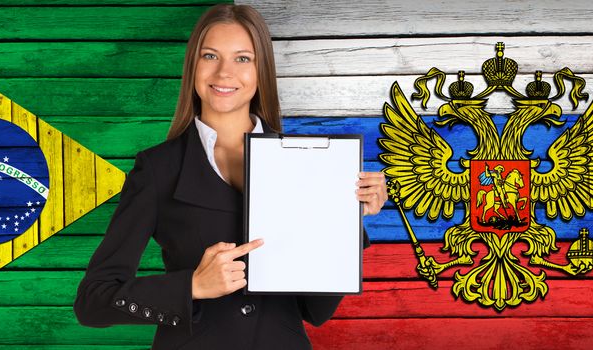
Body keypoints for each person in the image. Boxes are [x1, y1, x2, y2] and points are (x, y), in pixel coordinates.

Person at [73, 4, 389, 349]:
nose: (225, 72)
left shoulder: (309, 165)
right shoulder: (158, 168)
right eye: (210, 56)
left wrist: (347, 218)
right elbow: (93, 302)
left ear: (261, 71)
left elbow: (315, 310)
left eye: (242, 59)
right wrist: (192, 286)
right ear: (193, 65)